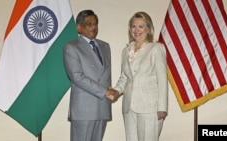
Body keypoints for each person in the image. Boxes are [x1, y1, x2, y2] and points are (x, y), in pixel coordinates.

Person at [63, 9, 119, 141]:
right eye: (89, 23)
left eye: (95, 23)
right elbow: (77, 77)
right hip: (84, 109)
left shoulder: (105, 46)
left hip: (102, 106)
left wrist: (112, 92)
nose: (93, 27)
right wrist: (105, 91)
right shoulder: (71, 47)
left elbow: (105, 75)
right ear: (79, 27)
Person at [113, 11, 168, 141]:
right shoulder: (126, 51)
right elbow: (124, 77)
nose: (136, 30)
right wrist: (115, 91)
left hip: (150, 108)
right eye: (133, 26)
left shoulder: (156, 48)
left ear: (148, 29)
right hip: (129, 107)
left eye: (141, 26)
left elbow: (162, 80)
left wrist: (162, 107)